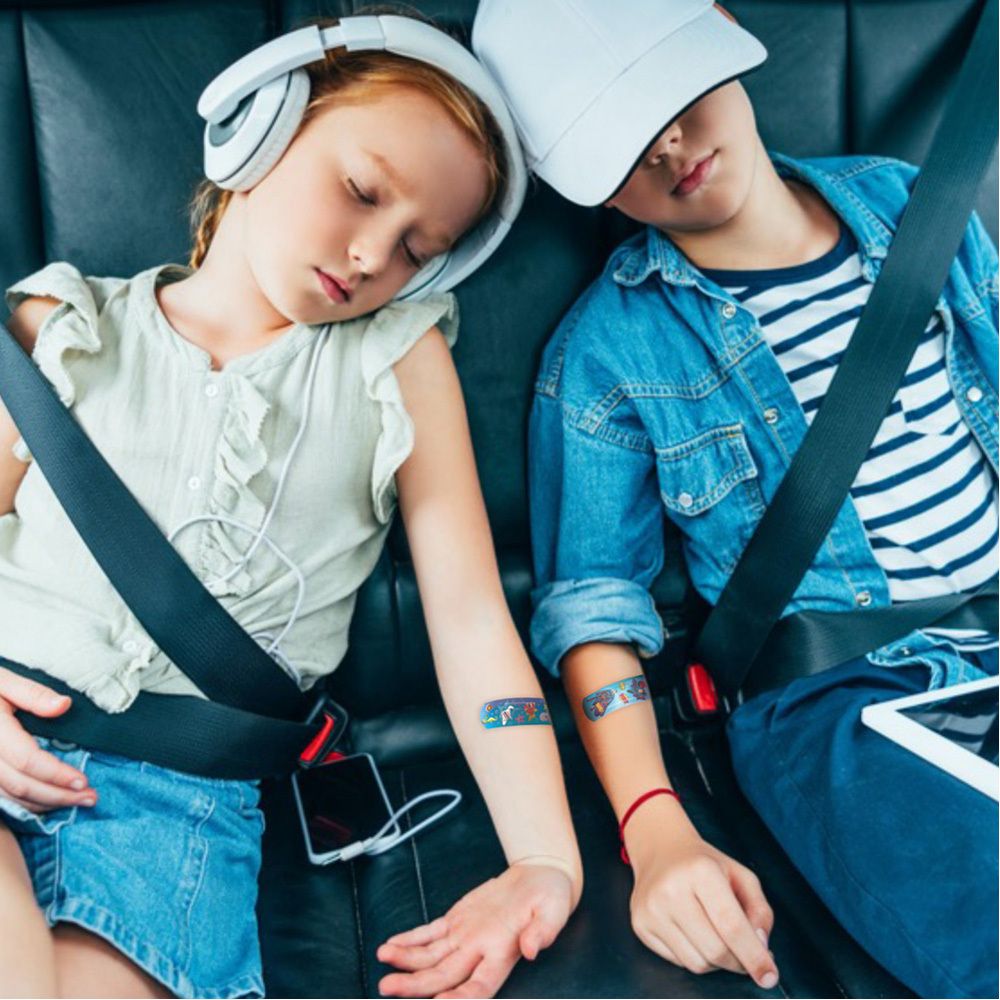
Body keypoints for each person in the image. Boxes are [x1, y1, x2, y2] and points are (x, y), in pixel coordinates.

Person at [0, 12, 583, 999]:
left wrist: (544, 859)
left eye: (414, 248)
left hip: (174, 805)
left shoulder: (396, 362)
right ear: (257, 128)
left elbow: (475, 627)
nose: (371, 257)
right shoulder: (62, 327)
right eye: (360, 192)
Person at [473, 0, 999, 997]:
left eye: (672, 94)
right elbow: (594, 607)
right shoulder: (606, 354)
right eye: (619, 145)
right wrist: (652, 823)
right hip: (842, 694)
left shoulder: (907, 206)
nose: (668, 146)